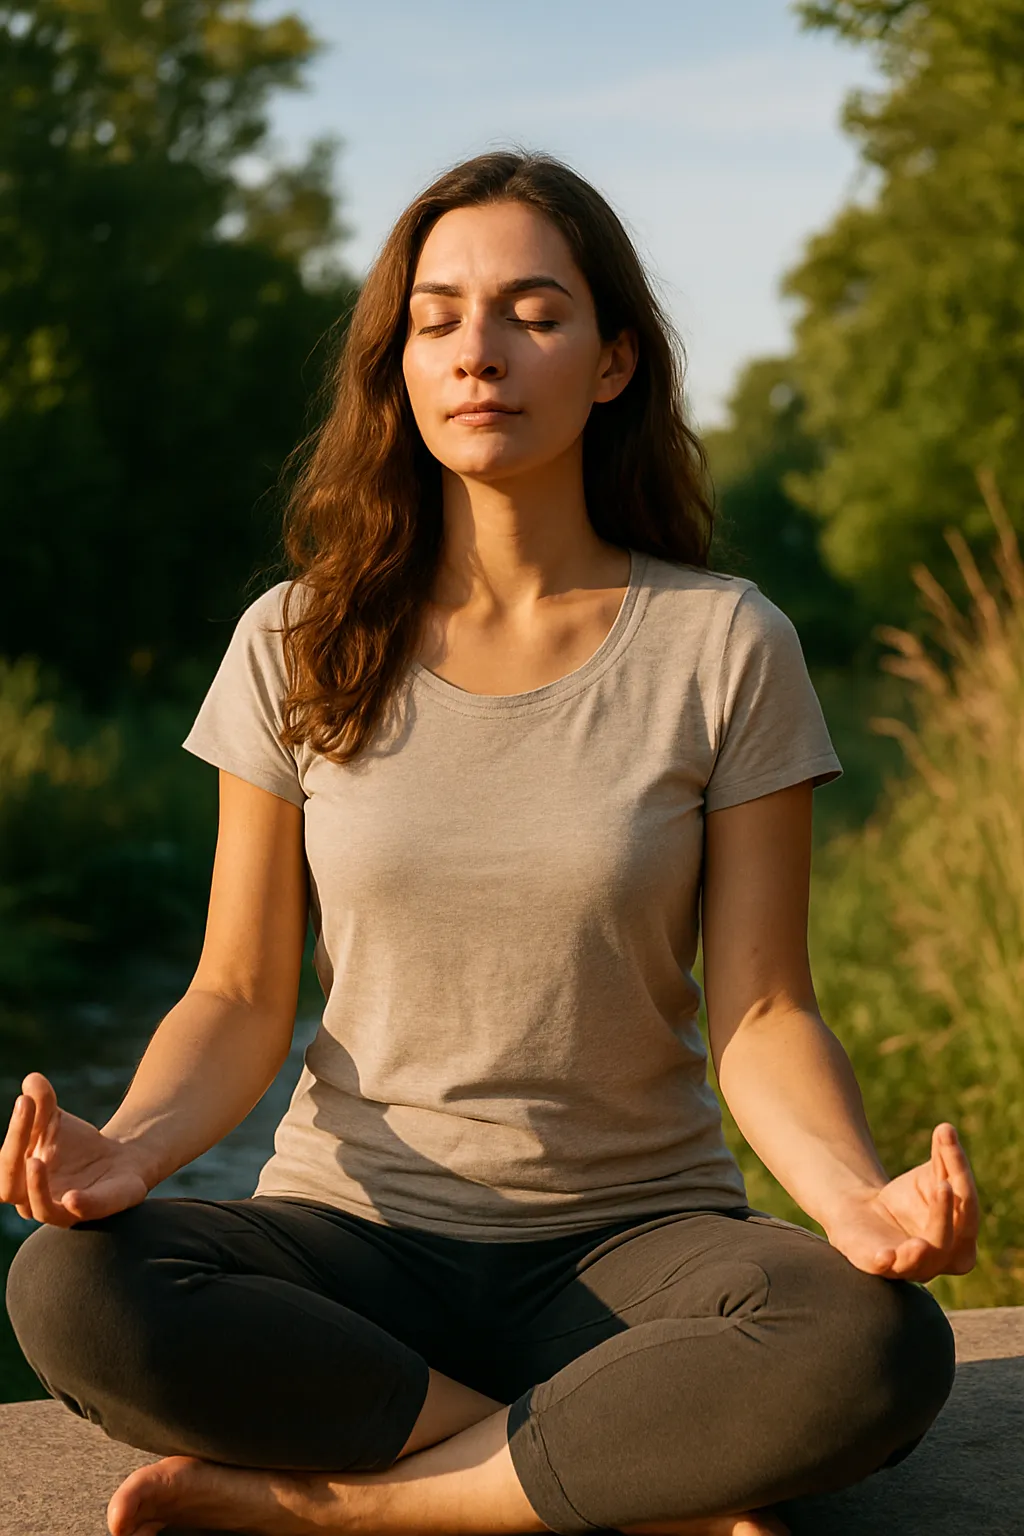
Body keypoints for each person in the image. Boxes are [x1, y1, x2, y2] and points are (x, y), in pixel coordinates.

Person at [2, 149, 978, 1536]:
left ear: (612, 362)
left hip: (637, 1245)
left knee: (874, 1342)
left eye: (535, 311)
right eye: (439, 316)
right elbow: (235, 994)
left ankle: (355, 1508)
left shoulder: (724, 644)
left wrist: (855, 1199)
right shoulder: (295, 638)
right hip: (354, 1245)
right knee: (70, 1288)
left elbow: (764, 1009)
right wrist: (132, 1153)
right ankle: (624, 1473)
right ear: (397, 364)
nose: (481, 353)